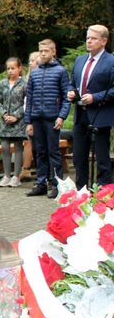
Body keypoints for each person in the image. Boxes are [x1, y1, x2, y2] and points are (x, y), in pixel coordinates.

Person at [67, 25, 114, 189]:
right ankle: (81, 192)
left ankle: (103, 194)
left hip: (100, 114)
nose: (89, 41)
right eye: (87, 38)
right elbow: (72, 83)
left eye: (93, 38)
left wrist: (95, 97)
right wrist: (71, 92)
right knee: (79, 157)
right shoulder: (80, 60)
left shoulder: (111, 61)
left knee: (102, 158)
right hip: (81, 114)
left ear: (104, 41)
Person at [24, 39, 71, 199]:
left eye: (46, 51)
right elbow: (29, 99)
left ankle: (57, 184)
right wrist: (28, 121)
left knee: (53, 152)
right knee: (40, 152)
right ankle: (41, 183)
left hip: (52, 118)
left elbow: (66, 97)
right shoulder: (35, 73)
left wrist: (61, 116)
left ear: (53, 52)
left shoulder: (60, 71)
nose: (43, 54)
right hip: (37, 118)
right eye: (41, 51)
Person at [0, 57, 27, 187]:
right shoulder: (3, 83)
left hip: (18, 121)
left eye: (13, 68)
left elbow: (26, 102)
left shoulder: (24, 84)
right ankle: (6, 175)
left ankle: (16, 176)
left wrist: (16, 116)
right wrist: (4, 114)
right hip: (5, 121)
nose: (10, 71)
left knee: (18, 147)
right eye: (8, 68)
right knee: (4, 147)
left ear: (19, 68)